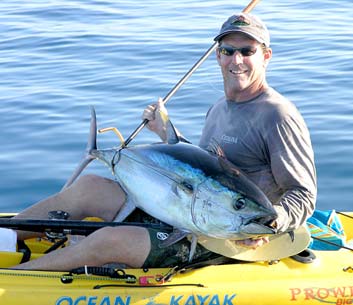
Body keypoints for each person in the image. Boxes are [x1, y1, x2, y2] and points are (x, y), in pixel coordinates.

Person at [11, 12, 316, 271]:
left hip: (228, 240)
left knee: (108, 241)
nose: (237, 60)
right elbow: (204, 169)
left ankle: (16, 277)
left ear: (266, 56)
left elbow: (303, 194)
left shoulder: (278, 115)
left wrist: (272, 223)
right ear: (217, 55)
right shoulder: (219, 108)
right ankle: (5, 238)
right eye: (227, 50)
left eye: (247, 51)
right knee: (87, 188)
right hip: (186, 213)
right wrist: (167, 133)